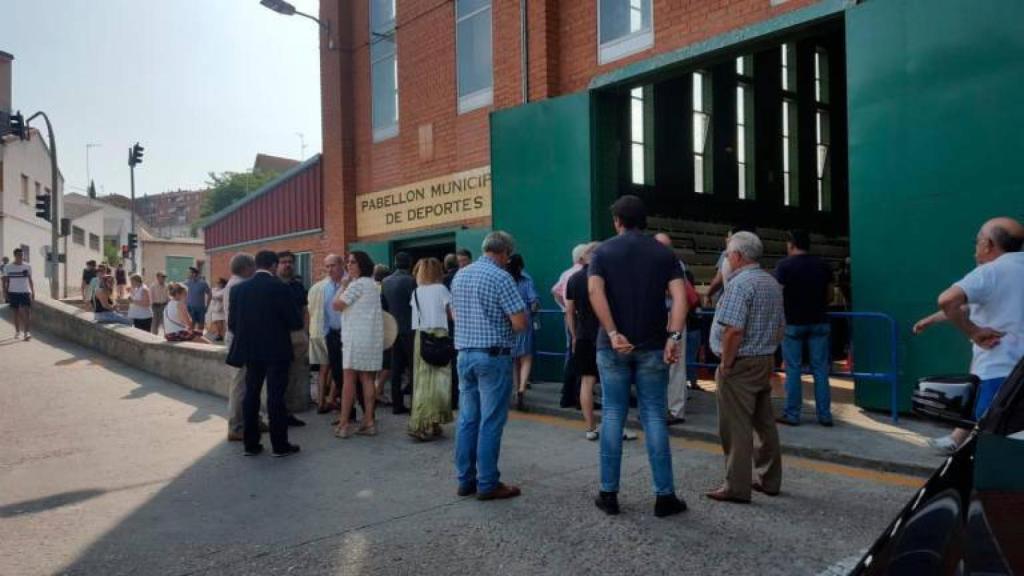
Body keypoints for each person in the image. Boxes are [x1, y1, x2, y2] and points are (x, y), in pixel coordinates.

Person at [588, 196, 687, 517]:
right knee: (655, 416)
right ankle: (665, 496)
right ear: (643, 221)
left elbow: (594, 292)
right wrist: (674, 335)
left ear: (617, 221)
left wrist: (613, 332)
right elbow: (680, 296)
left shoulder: (602, 252)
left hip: (612, 346)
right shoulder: (663, 253)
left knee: (614, 414)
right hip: (653, 344)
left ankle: (609, 493)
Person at [915, 217, 1024, 453]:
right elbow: (963, 306)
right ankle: (956, 439)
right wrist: (933, 319)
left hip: (1000, 373)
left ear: (988, 244)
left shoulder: (990, 272)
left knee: (992, 449)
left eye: (977, 242)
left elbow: (948, 300)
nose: (975, 249)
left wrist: (973, 332)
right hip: (1017, 375)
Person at [707, 231, 785, 504]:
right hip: (764, 359)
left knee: (735, 425)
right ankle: (769, 479)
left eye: (728, 254)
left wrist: (727, 365)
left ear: (738, 256)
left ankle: (736, 486)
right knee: (764, 422)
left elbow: (733, 331)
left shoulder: (740, 285)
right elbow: (780, 327)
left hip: (740, 362)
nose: (727, 258)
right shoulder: (771, 282)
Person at [451, 231, 527, 501]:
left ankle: (465, 480)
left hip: (465, 353)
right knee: (491, 421)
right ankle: (487, 483)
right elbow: (519, 323)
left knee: (468, 419)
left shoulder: (461, 274)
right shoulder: (501, 277)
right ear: (505, 253)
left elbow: (454, 312)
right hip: (493, 356)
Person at [226, 250, 303, 458]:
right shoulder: (280, 287)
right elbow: (296, 322)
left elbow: (232, 325)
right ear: (273, 265)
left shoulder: (239, 290)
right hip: (277, 350)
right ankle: (280, 445)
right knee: (275, 397)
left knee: (251, 394)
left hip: (251, 351)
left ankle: (250, 444)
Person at [774, 230, 835, 427]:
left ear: (791, 244)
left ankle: (792, 414)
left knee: (793, 369)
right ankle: (824, 415)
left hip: (793, 323)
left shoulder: (784, 266)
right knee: (820, 370)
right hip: (819, 322)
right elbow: (830, 296)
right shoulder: (822, 265)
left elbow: (777, 296)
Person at [332, 251, 383, 438]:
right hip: (371, 339)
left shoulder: (356, 285)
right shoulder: (373, 285)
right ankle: (369, 421)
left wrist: (342, 286)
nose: (349, 265)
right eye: (348, 262)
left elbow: (336, 305)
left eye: (353, 262)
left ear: (362, 264)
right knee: (367, 379)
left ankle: (344, 424)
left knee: (349, 381)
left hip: (355, 339)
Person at [408, 257, 454, 440]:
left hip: (422, 337)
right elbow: (452, 314)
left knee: (422, 382)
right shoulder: (442, 289)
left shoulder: (416, 292)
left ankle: (423, 423)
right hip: (440, 336)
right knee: (440, 382)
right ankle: (430, 423)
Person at [655, 232, 695, 424]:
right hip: (669, 316)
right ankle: (670, 408)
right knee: (670, 364)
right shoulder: (677, 263)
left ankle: (674, 410)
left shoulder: (671, 264)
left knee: (674, 364)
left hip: (671, 316)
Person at [565, 242, 601, 440]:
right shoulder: (604, 277)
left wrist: (574, 335)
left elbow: (569, 312)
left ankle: (590, 427)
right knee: (613, 382)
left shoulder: (574, 279)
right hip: (604, 335)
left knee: (586, 382)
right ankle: (615, 427)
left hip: (583, 336)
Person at [224, 253, 262, 442]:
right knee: (240, 385)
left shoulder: (233, 283)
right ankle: (236, 426)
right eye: (253, 267)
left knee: (248, 384)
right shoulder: (239, 286)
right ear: (247, 268)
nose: (255, 270)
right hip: (240, 341)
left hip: (238, 340)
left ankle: (252, 420)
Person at [383, 252, 417, 415]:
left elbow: (383, 307)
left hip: (393, 329)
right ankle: (415, 403)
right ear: (409, 263)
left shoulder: (386, 281)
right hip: (410, 329)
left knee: (395, 368)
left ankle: (397, 404)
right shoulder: (411, 280)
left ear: (395, 263)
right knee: (413, 367)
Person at [277, 251, 309, 427]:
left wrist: (305, 332)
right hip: (279, 337)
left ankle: (288, 413)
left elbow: (305, 310)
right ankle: (277, 414)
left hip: (297, 336)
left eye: (290, 262)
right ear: (277, 265)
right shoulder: (272, 285)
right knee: (279, 377)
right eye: (283, 262)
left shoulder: (297, 285)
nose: (287, 265)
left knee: (293, 377)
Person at [553, 245, 587, 409]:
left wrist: (565, 308)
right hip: (583, 319)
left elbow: (555, 291)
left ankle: (568, 394)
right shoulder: (584, 273)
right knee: (584, 357)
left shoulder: (566, 273)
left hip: (570, 317)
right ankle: (579, 395)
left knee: (571, 354)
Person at [508, 254, 539, 411]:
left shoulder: (504, 279)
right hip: (524, 319)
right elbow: (534, 302)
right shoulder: (526, 280)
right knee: (526, 358)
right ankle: (522, 389)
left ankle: (515, 390)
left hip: (508, 320)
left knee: (514, 358)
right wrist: (533, 314)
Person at [308, 257, 337, 413]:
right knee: (337, 367)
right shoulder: (334, 287)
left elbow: (310, 310)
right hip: (329, 332)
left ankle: (320, 402)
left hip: (315, 331)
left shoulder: (314, 287)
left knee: (323, 368)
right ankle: (331, 398)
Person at [3, 248, 35, 339]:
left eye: (22, 255)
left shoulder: (28, 266)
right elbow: (5, 281)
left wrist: (33, 291)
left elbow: (30, 280)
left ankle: (27, 332)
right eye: (19, 255)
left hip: (25, 292)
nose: (21, 257)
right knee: (16, 312)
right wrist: (5, 293)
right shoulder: (8, 267)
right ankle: (17, 331)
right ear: (15, 256)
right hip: (13, 292)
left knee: (27, 312)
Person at [184, 266, 211, 332]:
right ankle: (191, 339)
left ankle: (199, 338)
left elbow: (210, 294)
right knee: (190, 325)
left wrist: (207, 306)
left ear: (194, 274)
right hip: (189, 307)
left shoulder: (203, 283)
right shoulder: (186, 283)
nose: (187, 274)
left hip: (200, 308)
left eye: (189, 273)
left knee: (201, 326)